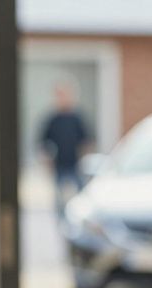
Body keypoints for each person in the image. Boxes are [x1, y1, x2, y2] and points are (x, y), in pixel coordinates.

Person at [39, 82, 95, 221]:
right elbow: (43, 142)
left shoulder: (77, 118)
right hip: (59, 164)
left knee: (81, 196)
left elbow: (87, 140)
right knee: (59, 198)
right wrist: (47, 162)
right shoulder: (53, 119)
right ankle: (61, 221)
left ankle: (80, 220)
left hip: (75, 164)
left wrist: (84, 160)